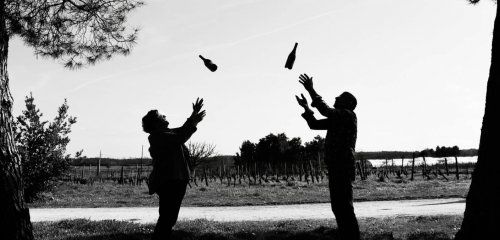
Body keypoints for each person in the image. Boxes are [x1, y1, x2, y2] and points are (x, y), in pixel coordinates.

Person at [296, 74, 360, 240]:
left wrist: (310, 89)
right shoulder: (338, 118)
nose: (336, 97)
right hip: (336, 166)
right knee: (338, 206)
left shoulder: (347, 115)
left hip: (343, 166)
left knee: (344, 206)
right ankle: (346, 235)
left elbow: (324, 110)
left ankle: (352, 237)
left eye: (340, 97)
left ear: (348, 104)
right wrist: (307, 109)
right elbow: (314, 124)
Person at [142, 98, 206, 240]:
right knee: (167, 218)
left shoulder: (164, 134)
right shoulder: (158, 136)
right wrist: (193, 120)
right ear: (156, 122)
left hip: (174, 181)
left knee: (168, 218)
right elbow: (181, 135)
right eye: (162, 116)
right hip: (170, 182)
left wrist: (193, 114)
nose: (165, 116)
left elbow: (180, 132)